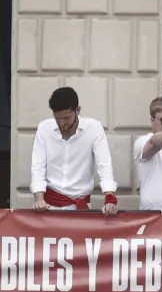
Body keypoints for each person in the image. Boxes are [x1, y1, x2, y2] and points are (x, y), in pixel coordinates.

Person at [29, 86, 118, 215]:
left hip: (80, 207)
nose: (62, 123)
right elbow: (38, 166)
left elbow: (104, 165)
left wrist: (109, 199)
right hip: (49, 206)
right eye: (57, 118)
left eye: (66, 118)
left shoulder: (94, 128)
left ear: (78, 110)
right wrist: (39, 199)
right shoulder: (44, 128)